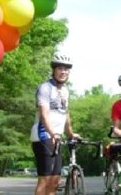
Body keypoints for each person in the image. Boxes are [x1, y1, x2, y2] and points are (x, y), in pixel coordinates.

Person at [30, 53, 80, 195]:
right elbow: (44, 114)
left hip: (57, 138)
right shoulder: (45, 88)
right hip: (43, 136)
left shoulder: (65, 91)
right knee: (45, 180)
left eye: (66, 69)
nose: (63, 72)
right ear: (54, 70)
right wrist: (53, 133)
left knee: (55, 180)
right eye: (60, 69)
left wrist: (70, 133)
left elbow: (65, 113)